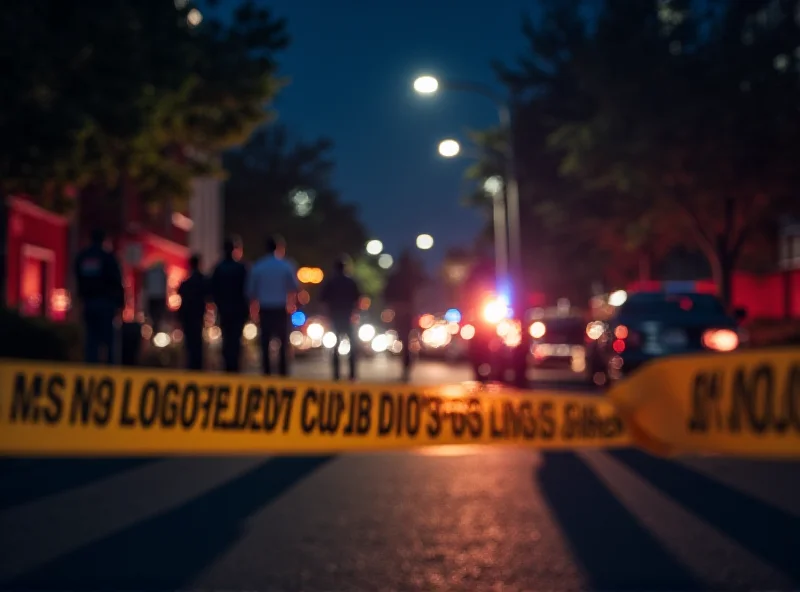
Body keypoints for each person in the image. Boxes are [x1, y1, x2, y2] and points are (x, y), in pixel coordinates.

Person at [247, 235, 298, 376]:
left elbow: (251, 291)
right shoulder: (286, 265)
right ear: (279, 248)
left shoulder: (258, 266)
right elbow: (293, 287)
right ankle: (283, 372)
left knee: (265, 342)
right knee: (283, 342)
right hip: (281, 308)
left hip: (265, 308)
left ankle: (266, 372)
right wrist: (291, 305)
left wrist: (254, 311)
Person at [74, 228, 124, 364]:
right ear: (104, 240)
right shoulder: (108, 258)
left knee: (91, 339)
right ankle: (110, 370)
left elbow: (78, 280)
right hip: (106, 304)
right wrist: (120, 304)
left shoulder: (83, 257)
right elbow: (117, 281)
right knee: (109, 341)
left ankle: (91, 367)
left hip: (89, 303)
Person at [320, 256, 361, 380]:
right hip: (348, 316)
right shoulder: (351, 282)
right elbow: (358, 299)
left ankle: (336, 374)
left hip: (335, 317)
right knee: (352, 346)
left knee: (336, 345)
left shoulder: (330, 282)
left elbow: (323, 299)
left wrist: (327, 314)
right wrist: (355, 312)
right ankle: (352, 374)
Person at [211, 237, 249, 372]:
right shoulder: (241, 268)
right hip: (238, 310)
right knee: (235, 338)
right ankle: (234, 366)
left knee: (226, 338)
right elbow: (247, 290)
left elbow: (213, 290)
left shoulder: (219, 268)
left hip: (224, 309)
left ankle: (228, 365)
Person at [384, 251, 420, 381]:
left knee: (404, 339)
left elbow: (387, 293)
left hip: (401, 311)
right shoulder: (411, 275)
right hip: (407, 311)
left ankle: (406, 364)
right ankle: (407, 363)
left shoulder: (398, 276)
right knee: (406, 339)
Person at [178, 254, 208, 370]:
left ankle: (191, 366)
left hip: (188, 316)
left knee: (190, 343)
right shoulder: (203, 281)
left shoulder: (186, 283)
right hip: (197, 315)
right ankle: (197, 366)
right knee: (197, 342)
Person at [144, 260, 168, 331]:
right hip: (159, 298)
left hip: (152, 297)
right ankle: (156, 329)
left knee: (153, 316)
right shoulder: (162, 274)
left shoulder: (149, 273)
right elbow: (164, 287)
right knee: (158, 316)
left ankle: (154, 329)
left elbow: (146, 286)